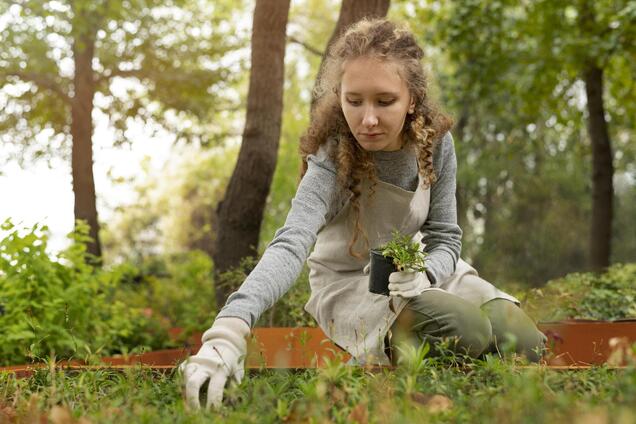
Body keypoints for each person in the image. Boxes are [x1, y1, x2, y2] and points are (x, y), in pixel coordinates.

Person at [180, 18, 546, 410]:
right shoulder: (331, 159)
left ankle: (475, 397)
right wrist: (231, 325)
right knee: (464, 329)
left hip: (417, 272)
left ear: (412, 100)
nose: (367, 120)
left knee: (522, 340)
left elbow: (445, 237)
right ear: (339, 96)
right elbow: (291, 243)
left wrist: (426, 274)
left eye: (384, 101)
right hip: (350, 283)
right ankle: (410, 396)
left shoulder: (436, 143)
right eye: (354, 101)